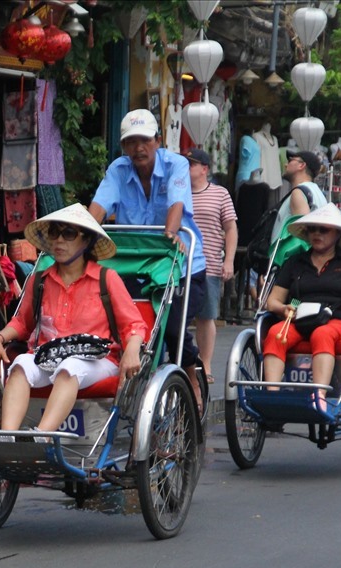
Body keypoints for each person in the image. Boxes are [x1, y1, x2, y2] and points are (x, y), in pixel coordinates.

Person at [0, 204, 148, 435]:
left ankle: (41, 437)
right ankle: (6, 438)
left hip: (98, 361)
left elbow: (133, 325)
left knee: (69, 367)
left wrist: (132, 348)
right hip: (48, 355)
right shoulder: (39, 280)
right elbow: (22, 323)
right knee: (21, 364)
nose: (59, 240)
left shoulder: (106, 279)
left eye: (69, 234)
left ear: (86, 241)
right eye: (54, 233)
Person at [88, 109, 207, 411]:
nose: (138, 148)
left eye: (144, 140)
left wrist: (170, 233)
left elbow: (176, 203)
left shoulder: (176, 164)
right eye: (131, 142)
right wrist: (84, 234)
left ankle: (190, 373)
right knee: (124, 321)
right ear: (124, 147)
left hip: (179, 263)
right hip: (135, 263)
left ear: (157, 140)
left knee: (169, 325)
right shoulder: (119, 169)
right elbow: (99, 208)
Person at [262, 204, 341, 411]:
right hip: (300, 317)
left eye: (324, 230)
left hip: (338, 318)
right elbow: (273, 300)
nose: (317, 234)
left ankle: (319, 396)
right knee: (276, 333)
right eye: (313, 229)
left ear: (338, 234)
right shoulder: (295, 262)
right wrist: (284, 309)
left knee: (322, 334)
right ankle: (272, 397)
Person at [186, 148, 238, 384]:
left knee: (206, 316)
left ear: (204, 169)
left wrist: (229, 260)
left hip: (209, 263)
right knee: (181, 317)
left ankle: (205, 364)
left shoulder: (220, 193)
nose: (187, 169)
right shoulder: (180, 193)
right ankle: (183, 363)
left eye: (192, 164)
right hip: (181, 264)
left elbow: (230, 228)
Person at [270, 150, 329, 241]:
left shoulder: (299, 192)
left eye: (290, 160)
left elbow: (301, 238)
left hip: (290, 254)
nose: (286, 165)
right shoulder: (318, 193)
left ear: (301, 165)